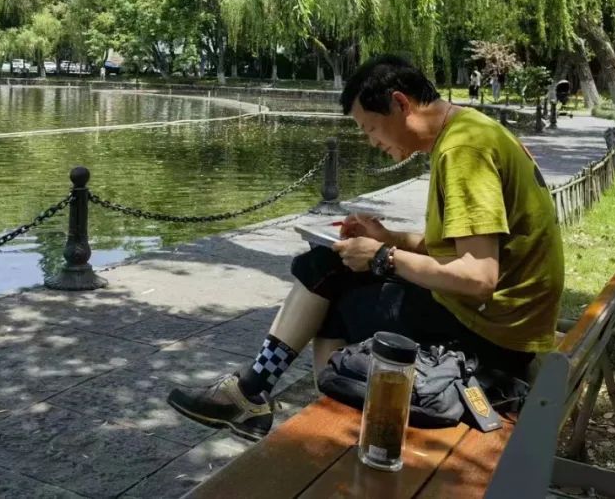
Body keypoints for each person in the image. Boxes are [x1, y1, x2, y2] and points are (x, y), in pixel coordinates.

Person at [166, 55, 564, 441]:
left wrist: (382, 257)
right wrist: (386, 236)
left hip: (491, 337)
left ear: (400, 104)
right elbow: (454, 248)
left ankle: (310, 417)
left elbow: (478, 277)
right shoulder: (471, 131)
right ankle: (261, 394)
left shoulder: (463, 151)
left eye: (370, 127)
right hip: (503, 323)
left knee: (330, 290)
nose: (371, 141)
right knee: (327, 265)